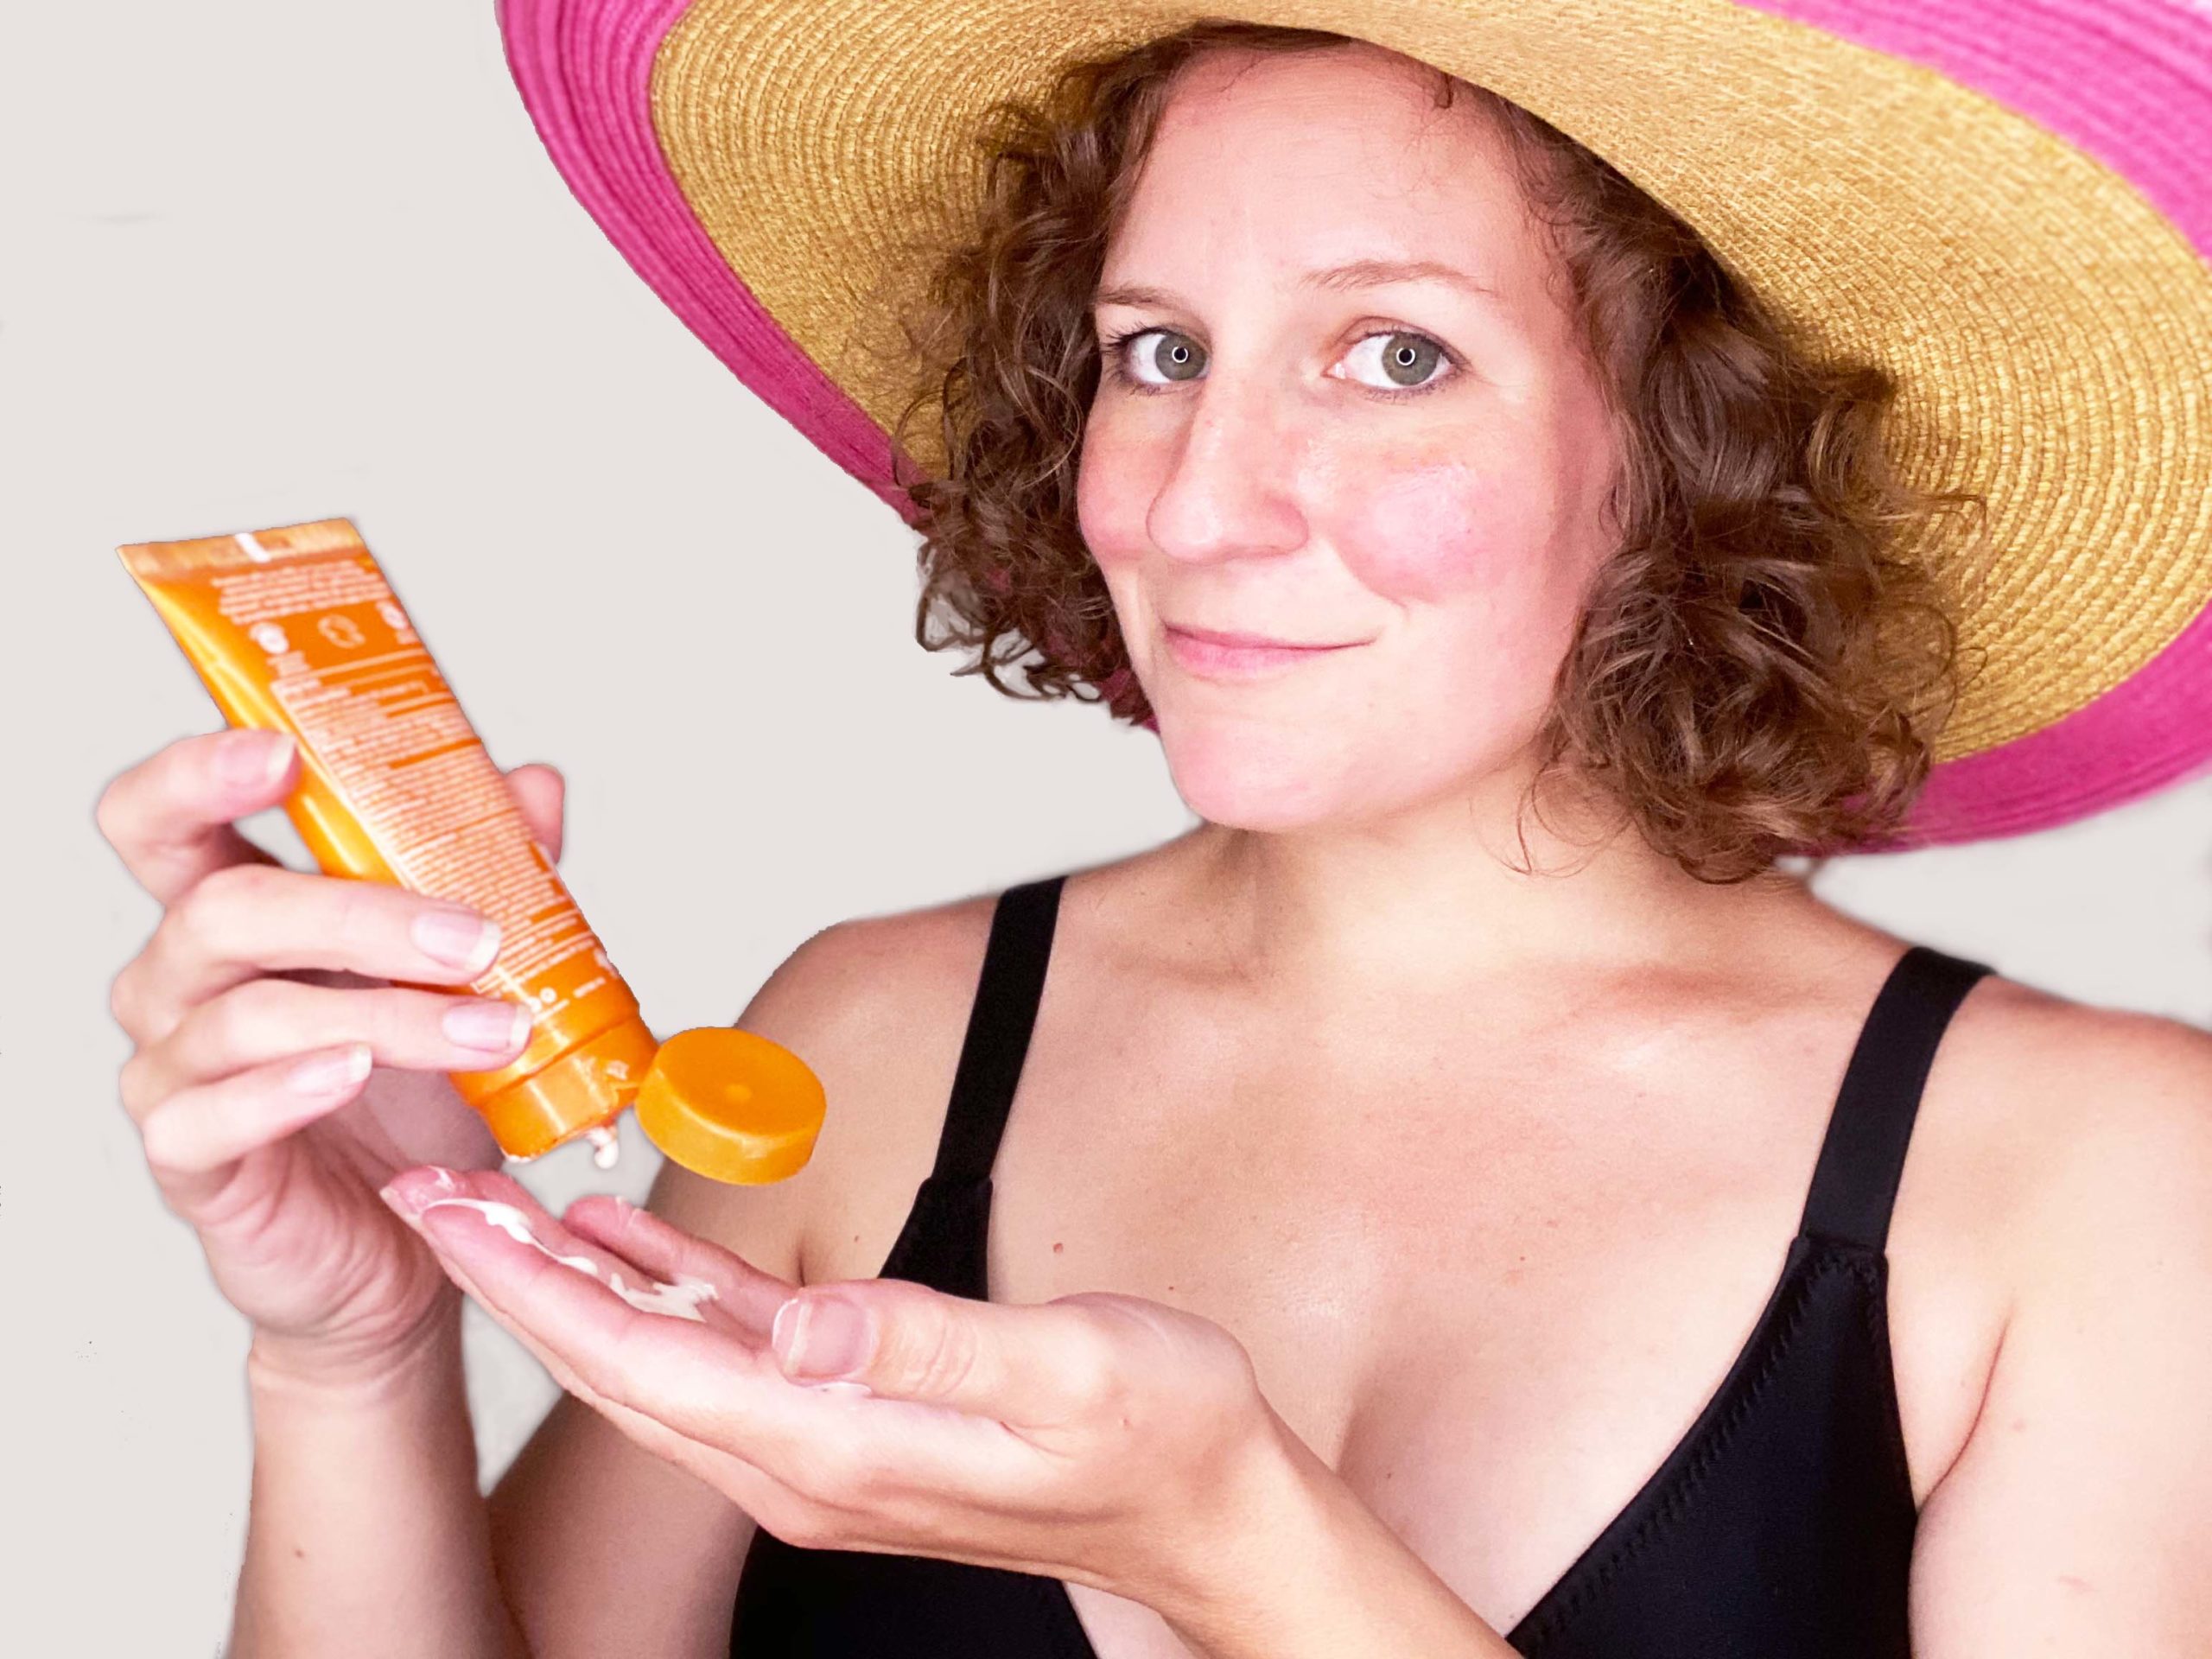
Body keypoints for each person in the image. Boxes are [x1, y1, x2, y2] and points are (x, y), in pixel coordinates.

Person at [97, 11, 2212, 1659]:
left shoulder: (2087, 1173)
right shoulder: (881, 1039)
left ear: (1690, 450)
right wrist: (356, 1347)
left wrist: (1233, 1545)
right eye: (1155, 353)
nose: (1195, 501)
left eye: (1393, 355)